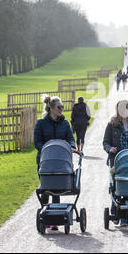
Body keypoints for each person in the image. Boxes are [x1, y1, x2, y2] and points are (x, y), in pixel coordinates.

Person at [34, 95, 78, 231]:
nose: (61, 109)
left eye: (62, 107)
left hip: (61, 159)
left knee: (58, 186)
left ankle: (54, 219)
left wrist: (72, 147)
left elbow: (70, 138)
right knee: (47, 187)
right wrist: (48, 150)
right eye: (59, 107)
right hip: (45, 159)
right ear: (51, 108)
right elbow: (37, 142)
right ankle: (46, 214)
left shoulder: (65, 124)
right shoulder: (41, 123)